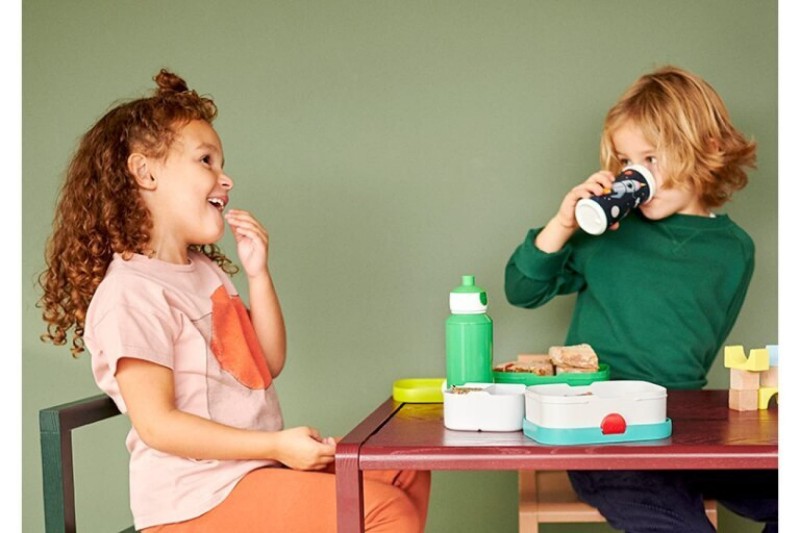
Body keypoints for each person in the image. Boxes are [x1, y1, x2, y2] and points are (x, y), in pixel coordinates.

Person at [38, 69, 430, 533]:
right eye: (206, 160)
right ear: (145, 173)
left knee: (403, 463)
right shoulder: (130, 293)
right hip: (194, 501)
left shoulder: (204, 272)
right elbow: (158, 425)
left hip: (250, 474)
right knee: (383, 510)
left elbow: (266, 361)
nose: (226, 179)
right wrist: (275, 446)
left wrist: (258, 273)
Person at [504, 65, 777, 532]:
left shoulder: (734, 252)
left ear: (708, 149)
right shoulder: (607, 234)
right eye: (625, 160)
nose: (634, 173)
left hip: (686, 430)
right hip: (606, 432)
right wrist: (564, 224)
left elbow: (696, 349)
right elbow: (522, 290)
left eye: (651, 158)